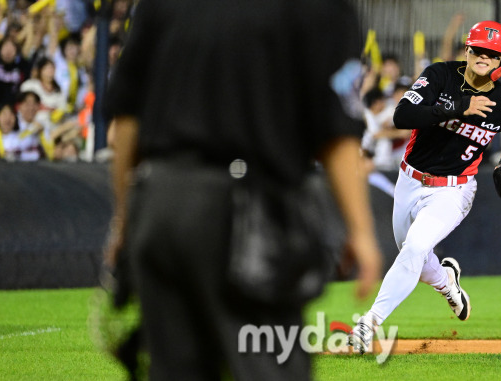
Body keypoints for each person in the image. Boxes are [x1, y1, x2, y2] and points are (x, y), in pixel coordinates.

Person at [104, 1, 381, 380]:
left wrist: (124, 220)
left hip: (161, 204)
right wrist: (361, 231)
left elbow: (125, 122)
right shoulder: (324, 7)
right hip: (247, 213)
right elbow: (337, 133)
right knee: (269, 365)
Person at [348, 20, 501, 354]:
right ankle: (447, 283)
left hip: (453, 190)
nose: (483, 57)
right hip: (409, 179)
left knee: (414, 248)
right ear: (468, 49)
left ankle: (368, 324)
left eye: (492, 53)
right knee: (414, 254)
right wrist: (459, 106)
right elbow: (402, 116)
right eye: (478, 49)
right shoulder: (441, 75)